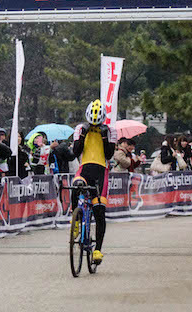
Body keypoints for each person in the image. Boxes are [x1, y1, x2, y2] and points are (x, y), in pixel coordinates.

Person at [72, 99, 115, 264]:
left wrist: (104, 137)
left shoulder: (111, 130)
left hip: (101, 172)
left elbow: (109, 155)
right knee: (75, 187)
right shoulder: (80, 128)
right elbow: (75, 151)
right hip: (84, 168)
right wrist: (83, 134)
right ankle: (75, 220)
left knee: (99, 211)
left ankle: (98, 250)